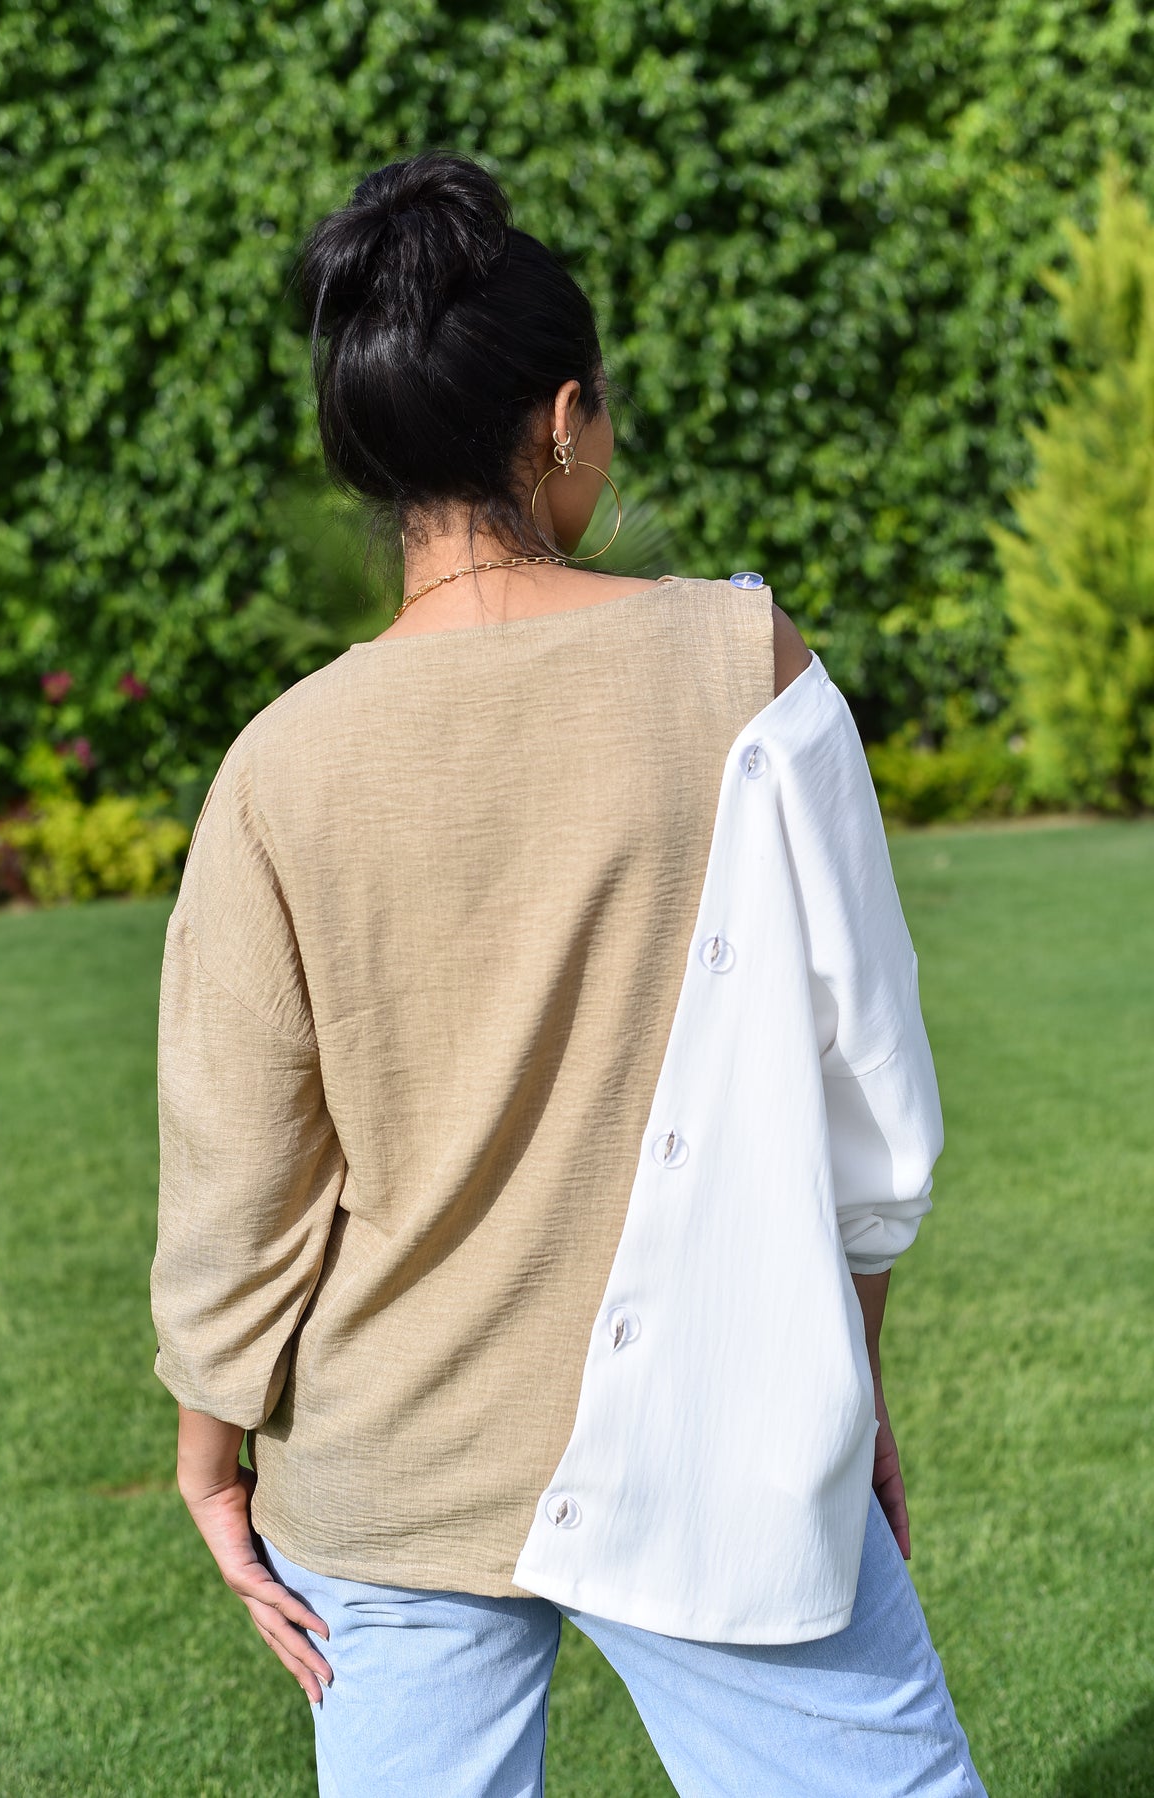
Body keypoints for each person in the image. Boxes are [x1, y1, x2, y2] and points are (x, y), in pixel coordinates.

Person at [150, 149, 990, 1797]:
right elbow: (868, 1096)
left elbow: (240, 1174)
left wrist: (208, 1452)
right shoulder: (746, 661)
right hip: (720, 1428)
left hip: (387, 1461)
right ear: (561, 418)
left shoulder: (277, 765)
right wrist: (850, 1376)